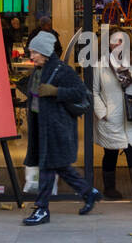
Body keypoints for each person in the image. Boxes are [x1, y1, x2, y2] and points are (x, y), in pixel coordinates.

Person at [21, 29, 100, 226]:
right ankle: (89, 192)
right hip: (42, 127)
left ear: (45, 52)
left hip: (56, 128)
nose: (31, 56)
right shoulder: (38, 72)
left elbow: (80, 92)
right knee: (61, 167)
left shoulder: (61, 70)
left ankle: (41, 209)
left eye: (34, 52)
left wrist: (56, 91)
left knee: (48, 167)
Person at [93, 28, 132, 201]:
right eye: (115, 41)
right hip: (111, 117)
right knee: (110, 153)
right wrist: (103, 113)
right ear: (108, 44)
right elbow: (93, 91)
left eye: (122, 40)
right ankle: (110, 188)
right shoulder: (100, 65)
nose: (119, 44)